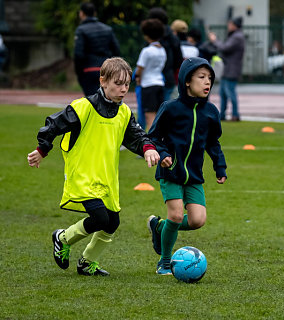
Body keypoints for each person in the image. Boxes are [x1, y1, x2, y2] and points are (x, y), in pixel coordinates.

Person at [27, 57, 160, 276]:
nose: (123, 89)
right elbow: (54, 124)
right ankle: (62, 238)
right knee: (100, 218)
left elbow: (136, 135)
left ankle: (87, 262)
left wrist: (147, 148)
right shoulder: (84, 107)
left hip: (107, 177)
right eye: (118, 83)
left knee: (112, 222)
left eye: (127, 84)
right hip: (83, 175)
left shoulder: (124, 112)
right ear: (103, 81)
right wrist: (42, 149)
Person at [146, 57, 227, 275]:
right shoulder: (170, 108)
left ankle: (160, 227)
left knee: (197, 220)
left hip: (193, 175)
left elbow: (213, 142)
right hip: (170, 171)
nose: (207, 82)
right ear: (187, 81)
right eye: (201, 77)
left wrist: (220, 167)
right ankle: (164, 261)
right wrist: (162, 154)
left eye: (209, 78)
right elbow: (153, 136)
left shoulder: (210, 112)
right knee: (175, 215)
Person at [74, 2, 121, 96]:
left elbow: (78, 54)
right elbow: (116, 51)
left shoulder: (81, 30)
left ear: (81, 13)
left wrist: (79, 73)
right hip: (106, 70)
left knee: (92, 101)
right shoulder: (107, 29)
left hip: (89, 70)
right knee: (108, 100)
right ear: (94, 13)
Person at [208, 16, 245, 121]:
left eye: (230, 24)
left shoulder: (237, 37)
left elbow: (224, 48)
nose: (228, 26)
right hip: (228, 69)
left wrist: (215, 40)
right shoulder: (236, 36)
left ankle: (235, 115)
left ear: (234, 25)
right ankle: (222, 115)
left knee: (230, 93)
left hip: (231, 70)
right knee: (223, 94)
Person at [136, 18, 167, 131]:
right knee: (158, 118)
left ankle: (151, 145)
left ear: (147, 35)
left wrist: (137, 78)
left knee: (150, 119)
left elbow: (139, 69)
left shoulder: (146, 51)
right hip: (159, 83)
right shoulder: (162, 50)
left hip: (148, 85)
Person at [147, 7, 183, 101]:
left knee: (151, 110)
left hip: (151, 79)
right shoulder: (173, 37)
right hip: (168, 76)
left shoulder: (151, 36)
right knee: (165, 108)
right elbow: (178, 59)